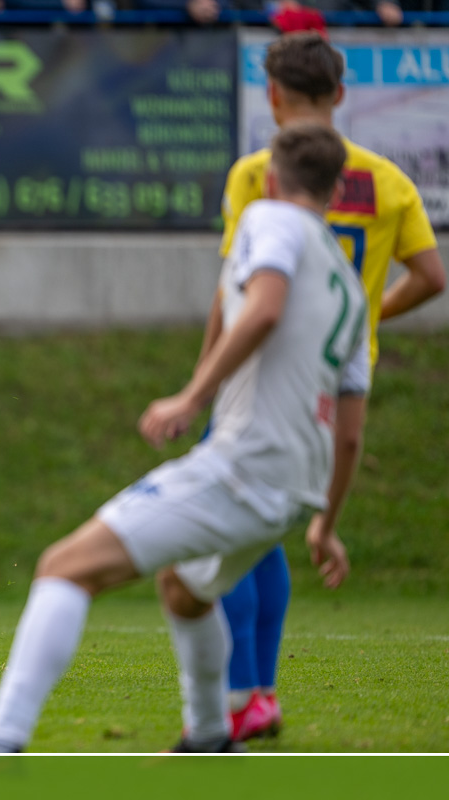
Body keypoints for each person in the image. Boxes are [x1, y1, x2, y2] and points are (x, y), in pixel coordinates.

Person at [0, 122, 371, 753]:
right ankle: (210, 735)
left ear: (271, 181)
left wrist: (193, 395)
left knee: (64, 567)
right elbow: (350, 434)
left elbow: (265, 306)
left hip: (246, 464)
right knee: (185, 589)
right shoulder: (350, 286)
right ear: (338, 189)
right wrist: (326, 522)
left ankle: (1, 742)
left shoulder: (271, 218)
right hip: (297, 488)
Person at [214, 32, 445, 741]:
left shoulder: (258, 173)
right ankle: (261, 693)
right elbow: (432, 277)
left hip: (261, 369)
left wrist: (201, 381)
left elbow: (234, 287)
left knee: (224, 531)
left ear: (272, 96)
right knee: (267, 532)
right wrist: (366, 311)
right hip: (340, 372)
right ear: (341, 94)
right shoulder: (389, 180)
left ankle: (241, 693)